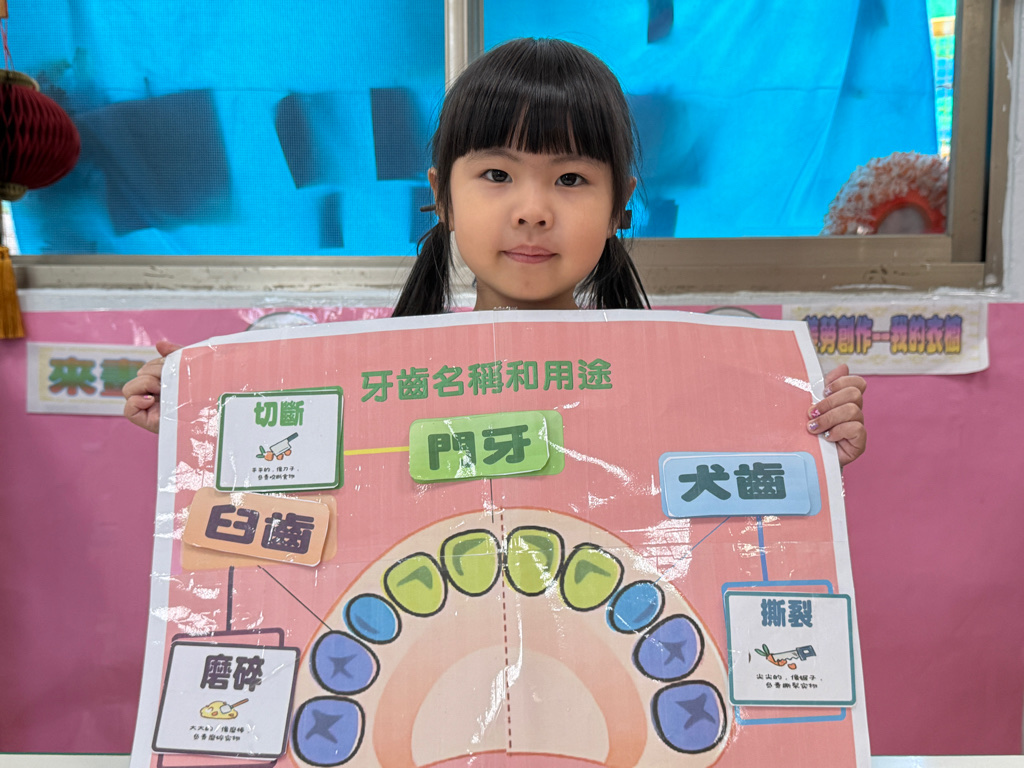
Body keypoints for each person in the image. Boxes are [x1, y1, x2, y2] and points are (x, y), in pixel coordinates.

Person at [123, 38, 866, 466]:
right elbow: (313, 494)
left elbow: (726, 514)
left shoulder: (683, 378)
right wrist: (202, 424)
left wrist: (808, 436)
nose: (533, 210)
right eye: (497, 175)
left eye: (571, 179)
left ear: (621, 204)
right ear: (442, 196)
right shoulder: (375, 382)